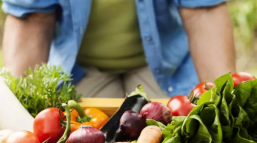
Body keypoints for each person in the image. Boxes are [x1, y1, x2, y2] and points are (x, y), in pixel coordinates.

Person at [2, 0, 235, 99]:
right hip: (80, 69)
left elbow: (202, 11)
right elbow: (33, 18)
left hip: (166, 66)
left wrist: (224, 105)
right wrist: (17, 122)